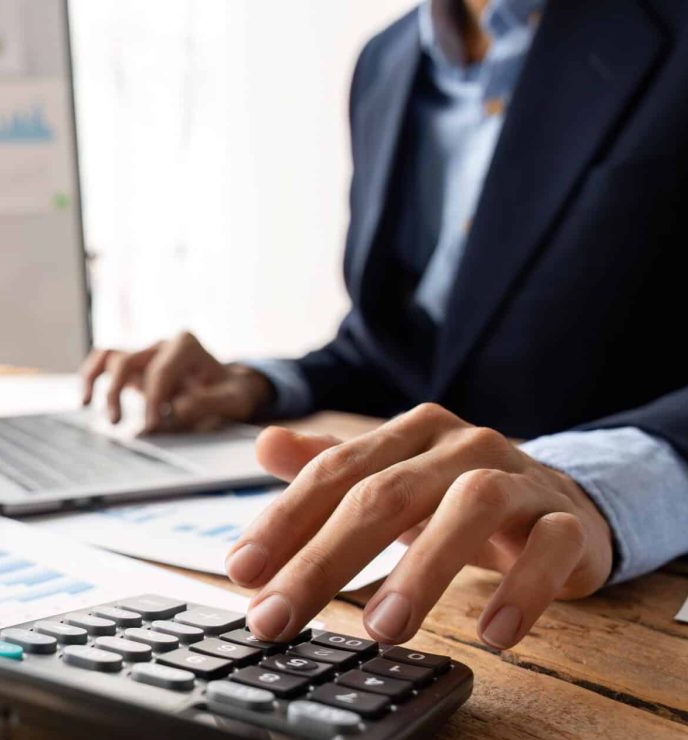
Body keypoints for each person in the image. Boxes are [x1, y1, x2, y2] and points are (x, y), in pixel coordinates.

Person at [81, 0, 688, 650]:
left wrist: (602, 483)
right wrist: (256, 382)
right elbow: (399, 347)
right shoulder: (386, 59)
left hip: (622, 590)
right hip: (443, 583)